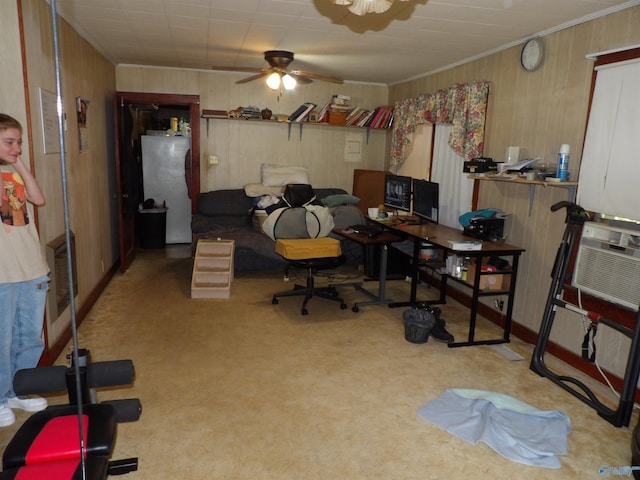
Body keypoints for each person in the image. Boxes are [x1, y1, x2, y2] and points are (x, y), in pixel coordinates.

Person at [0, 113, 50, 427]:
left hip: (32, 267)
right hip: (3, 273)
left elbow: (38, 199)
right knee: (2, 339)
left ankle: (19, 391)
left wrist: (17, 163)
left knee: (31, 337)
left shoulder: (14, 175)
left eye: (18, 142)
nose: (16, 147)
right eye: (9, 142)